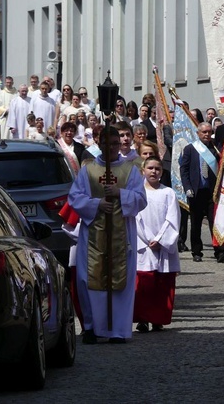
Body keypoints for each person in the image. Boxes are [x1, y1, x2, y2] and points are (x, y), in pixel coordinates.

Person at [68, 127, 147, 344]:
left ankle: (118, 329)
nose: (111, 148)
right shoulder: (88, 169)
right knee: (89, 278)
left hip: (122, 234)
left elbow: (141, 199)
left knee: (120, 279)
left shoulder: (130, 170)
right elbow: (75, 198)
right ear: (99, 143)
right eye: (107, 143)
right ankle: (93, 327)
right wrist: (96, 204)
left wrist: (120, 194)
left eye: (114, 143)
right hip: (93, 234)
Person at [134, 156, 181, 333]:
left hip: (162, 245)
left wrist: (161, 240)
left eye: (157, 169)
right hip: (143, 244)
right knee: (144, 284)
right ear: (143, 171)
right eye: (150, 168)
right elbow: (135, 218)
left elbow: (173, 219)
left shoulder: (168, 193)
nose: (154, 171)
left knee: (162, 284)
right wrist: (147, 239)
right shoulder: (138, 193)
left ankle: (158, 319)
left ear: (162, 171)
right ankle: (143, 319)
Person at [179, 122, 220, 262]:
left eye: (209, 132)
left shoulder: (215, 149)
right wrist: (187, 187)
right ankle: (196, 251)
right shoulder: (190, 149)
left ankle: (219, 251)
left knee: (214, 223)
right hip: (196, 192)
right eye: (204, 132)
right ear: (198, 133)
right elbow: (183, 170)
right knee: (196, 224)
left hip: (211, 192)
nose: (207, 135)